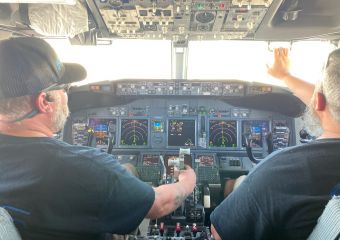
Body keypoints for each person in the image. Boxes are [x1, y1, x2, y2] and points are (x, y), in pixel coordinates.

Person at [0, 37, 196, 240]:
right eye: (64, 88)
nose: (67, 96)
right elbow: (159, 204)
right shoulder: (82, 167)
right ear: (44, 101)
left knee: (128, 169)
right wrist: (186, 182)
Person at [210, 48, 340, 240]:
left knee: (238, 185)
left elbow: (219, 233)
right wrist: (285, 76)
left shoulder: (283, 172)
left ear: (318, 101)